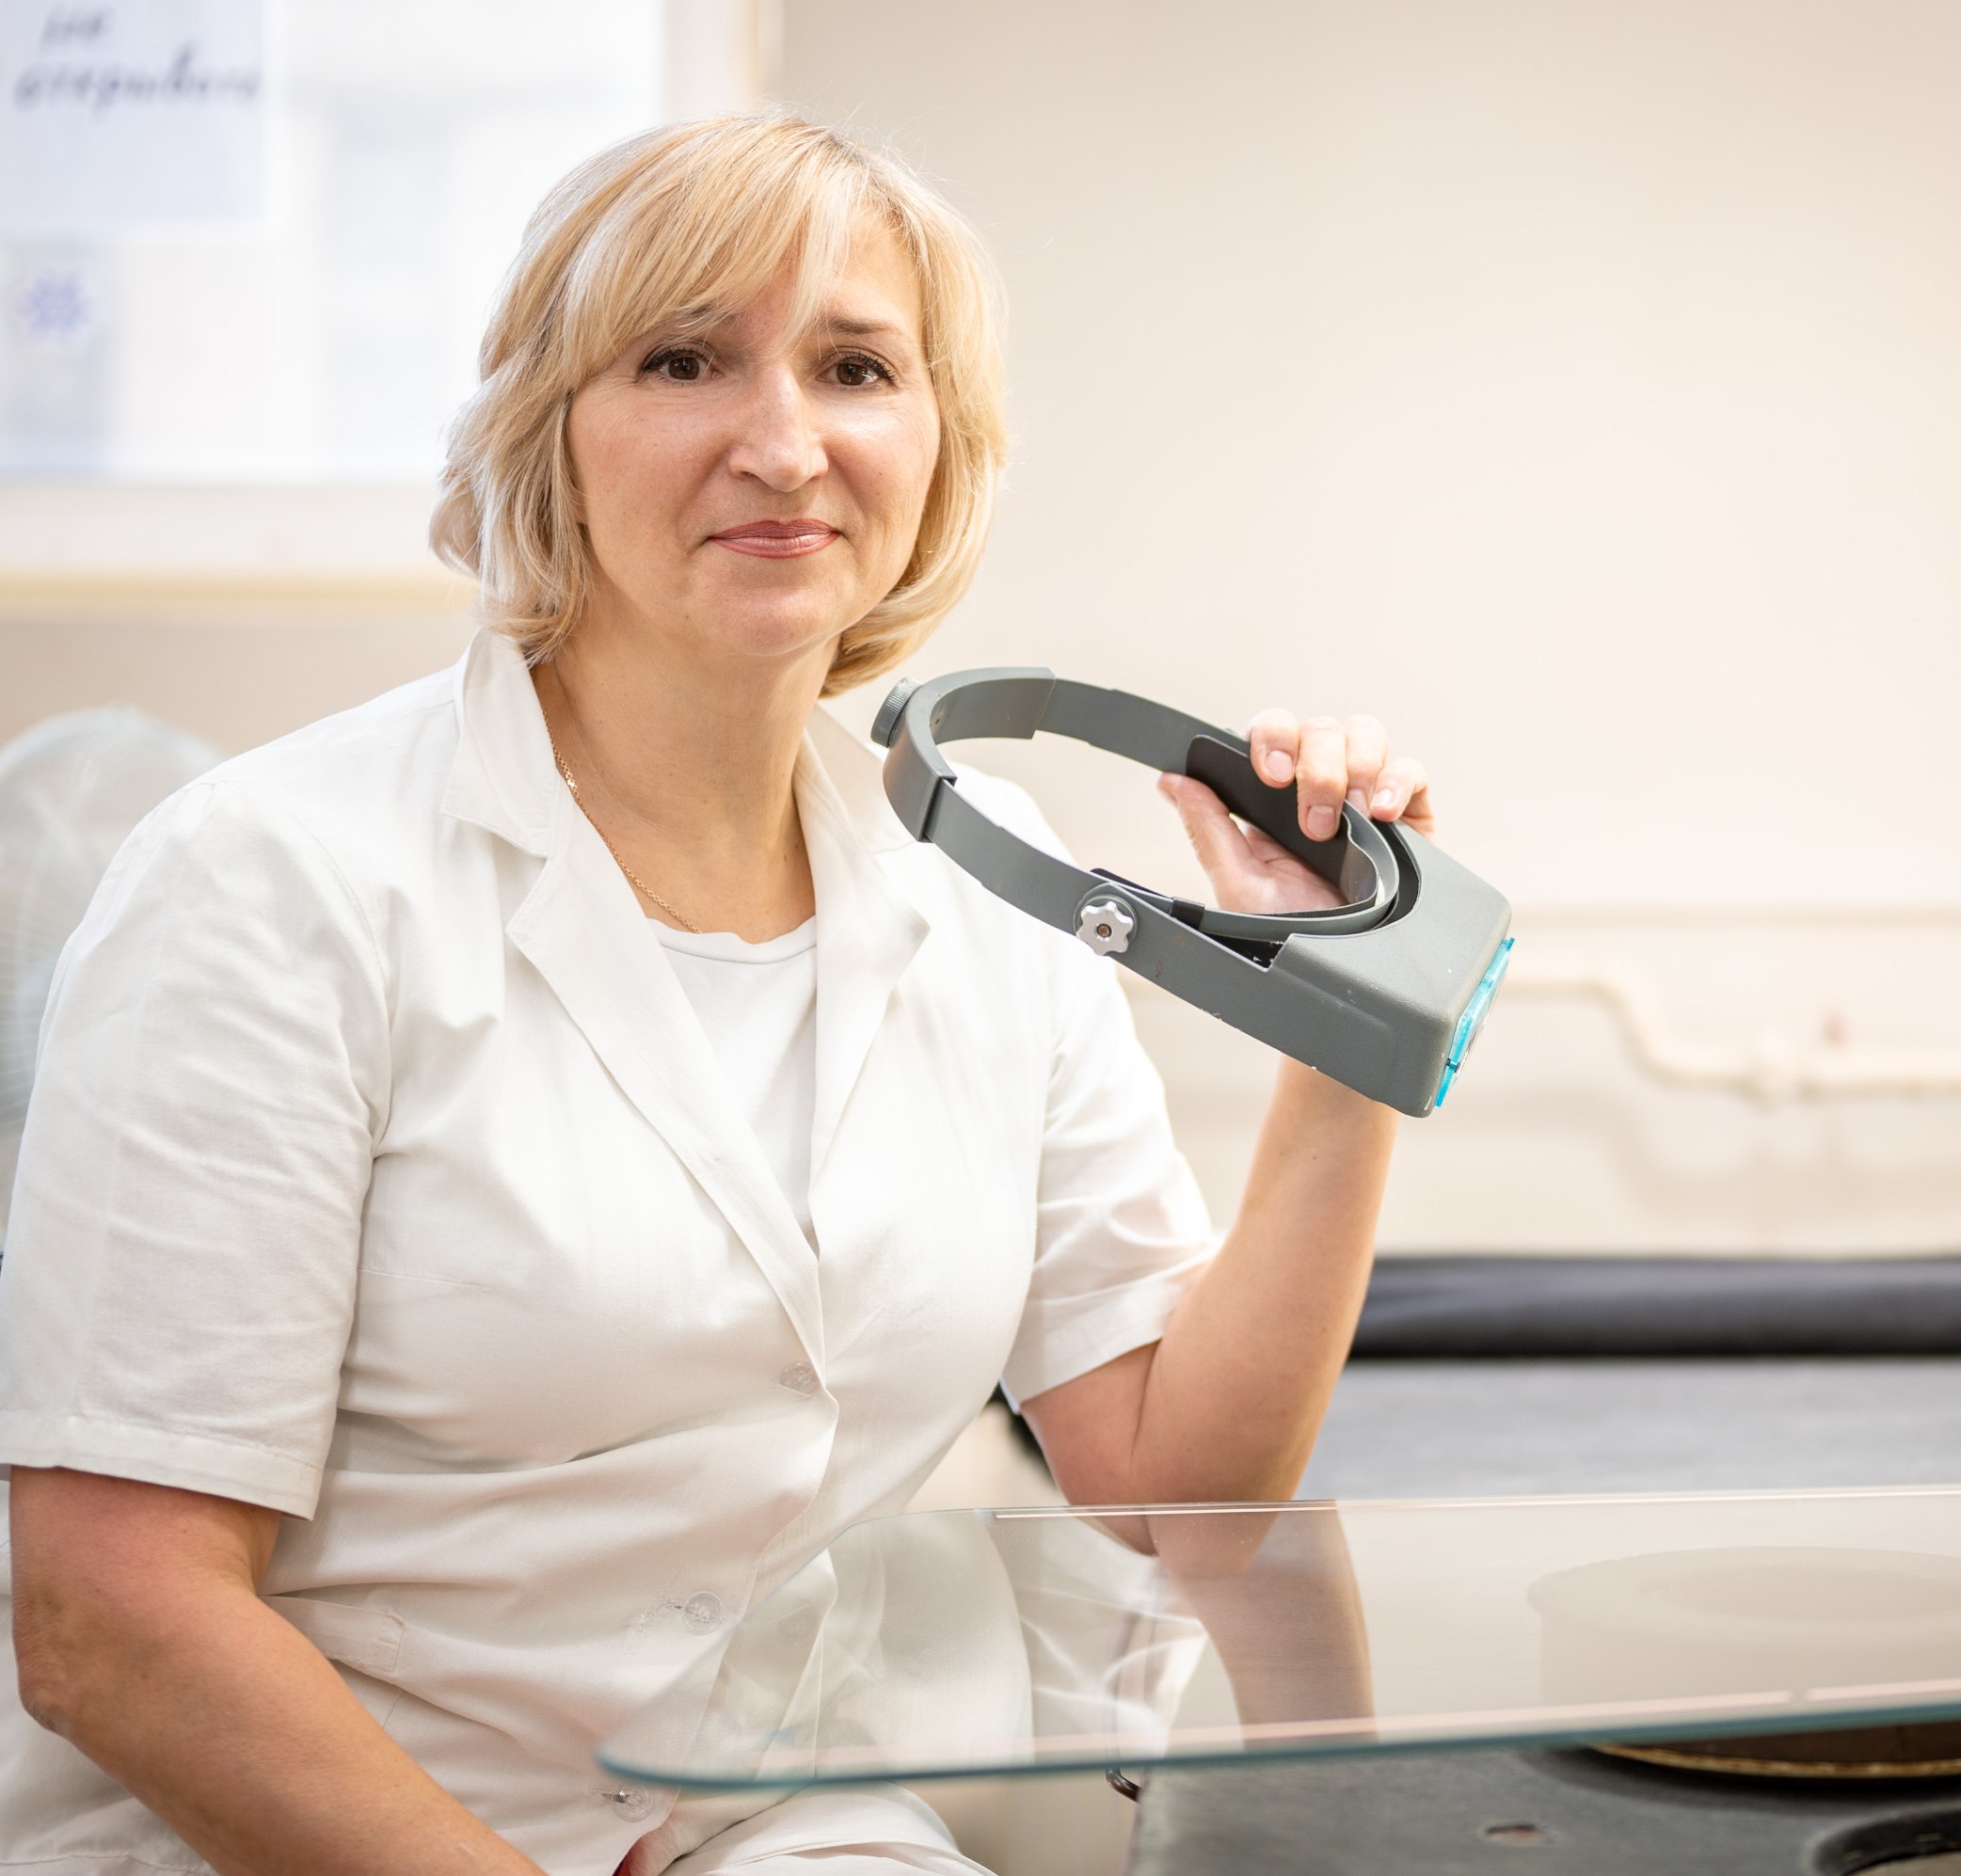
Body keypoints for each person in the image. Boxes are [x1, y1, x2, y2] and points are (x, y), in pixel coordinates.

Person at [0, 113, 1439, 1875]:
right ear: (549, 431)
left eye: (856, 368)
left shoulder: (984, 875)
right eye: (684, 360)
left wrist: (1340, 1020)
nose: (783, 443)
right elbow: (111, 1616)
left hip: (765, 1820)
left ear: (938, 446)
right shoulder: (270, 878)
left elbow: (1170, 1486)